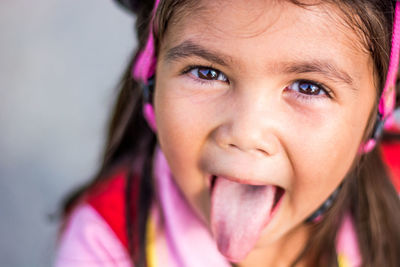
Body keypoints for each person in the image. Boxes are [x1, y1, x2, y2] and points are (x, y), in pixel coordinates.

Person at [55, 0, 400, 266]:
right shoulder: (105, 243)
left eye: (309, 87)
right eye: (206, 72)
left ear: (380, 106)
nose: (246, 134)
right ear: (151, 75)